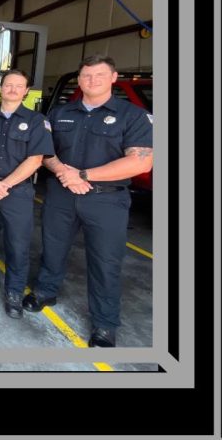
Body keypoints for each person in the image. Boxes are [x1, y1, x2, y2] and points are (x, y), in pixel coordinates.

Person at [23, 54, 153, 347]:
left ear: (113, 78)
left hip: (106, 201)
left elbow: (140, 163)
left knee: (105, 262)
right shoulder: (59, 113)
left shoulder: (132, 116)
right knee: (52, 249)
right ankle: (45, 291)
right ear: (80, 80)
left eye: (98, 75)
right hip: (61, 195)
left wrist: (83, 174)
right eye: (86, 76)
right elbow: (46, 152)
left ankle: (105, 324)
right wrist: (62, 172)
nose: (91, 81)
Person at [0, 69, 54, 319]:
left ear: (26, 90)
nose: (12, 89)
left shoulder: (36, 121)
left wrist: (5, 185)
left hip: (17, 192)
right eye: (8, 85)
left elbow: (36, 160)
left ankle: (14, 292)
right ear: (1, 88)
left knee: (17, 245)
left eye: (18, 86)